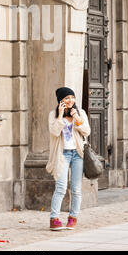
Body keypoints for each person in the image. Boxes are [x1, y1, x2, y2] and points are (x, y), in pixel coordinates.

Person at [46, 86, 91, 230]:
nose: (70, 100)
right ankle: (54, 219)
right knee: (60, 187)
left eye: (72, 97)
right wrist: (60, 116)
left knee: (76, 189)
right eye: (67, 98)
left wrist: (77, 118)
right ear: (61, 100)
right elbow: (54, 132)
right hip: (62, 154)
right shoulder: (53, 114)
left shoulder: (80, 112)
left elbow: (86, 131)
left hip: (78, 154)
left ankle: (73, 217)